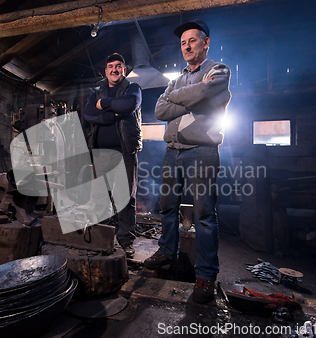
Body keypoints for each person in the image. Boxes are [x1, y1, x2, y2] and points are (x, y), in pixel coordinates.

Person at [144, 20, 231, 303]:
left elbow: (205, 93)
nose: (187, 46)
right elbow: (159, 110)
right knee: (167, 206)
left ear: (205, 43)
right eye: (183, 43)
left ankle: (205, 274)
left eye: (192, 41)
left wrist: (177, 99)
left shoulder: (218, 70)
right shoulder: (176, 79)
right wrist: (189, 97)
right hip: (174, 151)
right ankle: (167, 251)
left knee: (204, 215)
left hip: (202, 151)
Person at [83, 53, 142, 258]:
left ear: (124, 69)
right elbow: (88, 113)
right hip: (100, 152)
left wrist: (103, 105)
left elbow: (130, 104)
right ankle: (102, 238)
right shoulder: (97, 90)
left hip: (125, 151)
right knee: (101, 197)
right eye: (111, 66)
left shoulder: (133, 88)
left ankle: (126, 241)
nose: (114, 70)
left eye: (119, 66)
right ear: (105, 70)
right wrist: (112, 112)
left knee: (126, 198)